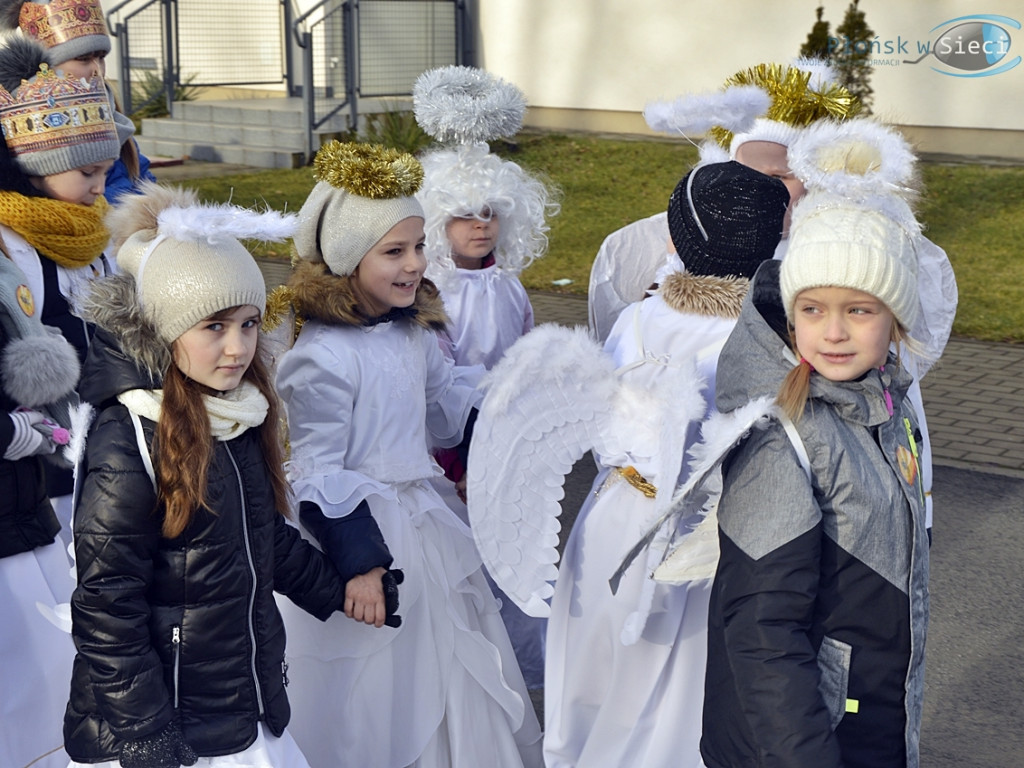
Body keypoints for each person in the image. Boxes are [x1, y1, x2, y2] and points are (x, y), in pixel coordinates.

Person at [63, 182, 356, 768]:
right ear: (168, 331)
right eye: (213, 327)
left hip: (234, 697)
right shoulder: (130, 438)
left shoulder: (236, 415)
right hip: (164, 717)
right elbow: (106, 602)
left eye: (249, 324)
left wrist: (338, 588)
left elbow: (261, 536)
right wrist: (145, 730)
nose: (237, 347)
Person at [273, 140, 543, 768]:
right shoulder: (322, 356)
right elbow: (316, 470)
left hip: (425, 517)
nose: (415, 264)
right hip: (366, 534)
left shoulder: (410, 332)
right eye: (393, 252)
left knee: (454, 664)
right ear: (346, 259)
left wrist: (513, 408)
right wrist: (362, 565)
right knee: (377, 687)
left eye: (420, 247)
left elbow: (446, 406)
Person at [541, 162, 788, 768]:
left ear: (678, 240)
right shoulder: (772, 335)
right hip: (707, 530)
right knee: (678, 683)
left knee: (604, 670)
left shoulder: (637, 316)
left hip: (623, 516)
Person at [701, 166, 930, 767]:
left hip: (868, 715)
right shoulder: (784, 438)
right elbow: (761, 632)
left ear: (895, 319)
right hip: (804, 740)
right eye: (812, 309)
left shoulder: (885, 403)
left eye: (858, 310)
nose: (832, 333)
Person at [414, 64, 559, 690]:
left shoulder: (507, 284)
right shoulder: (434, 292)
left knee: (515, 556)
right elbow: (439, 382)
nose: (482, 226)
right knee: (466, 562)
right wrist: (462, 460)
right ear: (437, 221)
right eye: (466, 215)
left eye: (492, 214)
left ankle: (521, 671)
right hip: (457, 449)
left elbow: (524, 358)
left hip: (512, 440)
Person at [0, 49, 130, 547]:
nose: (100, 189)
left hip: (104, 431)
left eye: (105, 172)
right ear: (37, 169)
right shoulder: (11, 241)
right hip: (40, 447)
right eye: (87, 174)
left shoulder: (93, 235)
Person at [0, 0, 157, 203]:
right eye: (83, 59)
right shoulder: (17, 131)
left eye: (101, 57)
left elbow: (145, 185)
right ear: (44, 68)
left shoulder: (114, 122)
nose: (98, 70)